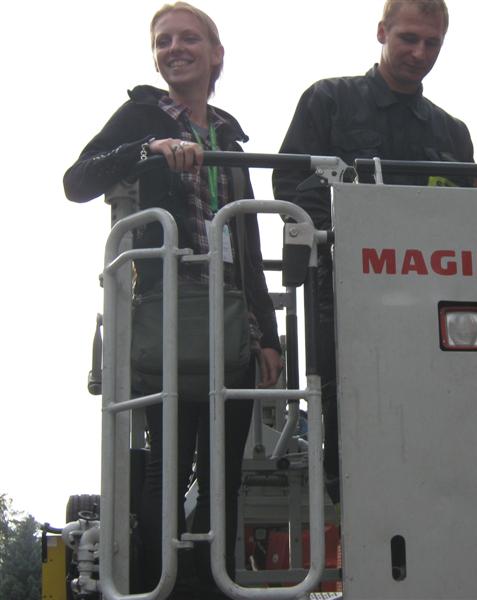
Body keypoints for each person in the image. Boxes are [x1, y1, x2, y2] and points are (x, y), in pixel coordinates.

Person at [63, 3, 282, 597]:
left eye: (189, 38)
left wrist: (267, 335)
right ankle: (163, 584)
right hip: (168, 313)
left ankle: (214, 584)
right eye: (163, 41)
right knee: (169, 461)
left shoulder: (229, 135)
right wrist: (148, 149)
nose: (175, 48)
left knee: (224, 469)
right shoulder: (141, 114)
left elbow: (248, 241)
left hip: (231, 315)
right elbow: (77, 181)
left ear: (216, 54)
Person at [273, 0, 475, 504]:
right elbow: (290, 184)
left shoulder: (453, 132)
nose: (420, 52)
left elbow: (470, 216)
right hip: (343, 294)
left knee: (440, 422)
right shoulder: (328, 100)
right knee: (351, 424)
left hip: (433, 302)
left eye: (432, 43)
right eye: (409, 38)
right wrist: (347, 240)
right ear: (382, 31)